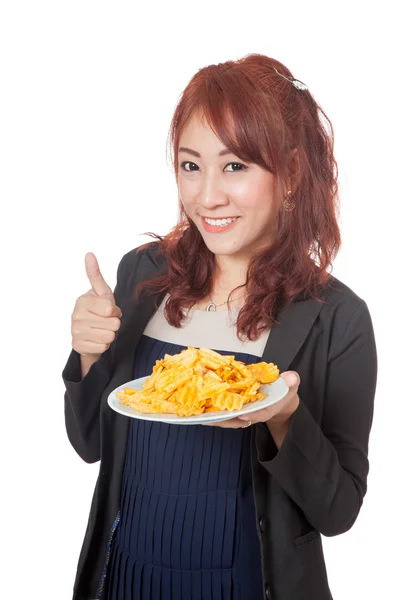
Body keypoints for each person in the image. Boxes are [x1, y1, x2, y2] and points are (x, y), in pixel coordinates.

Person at [62, 53, 377, 600]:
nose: (208, 196)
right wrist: (87, 355)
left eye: (235, 166)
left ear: (293, 173)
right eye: (191, 165)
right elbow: (91, 443)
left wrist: (284, 419)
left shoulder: (337, 317)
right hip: (126, 579)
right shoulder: (143, 274)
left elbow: (339, 511)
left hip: (247, 586)